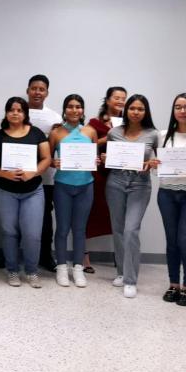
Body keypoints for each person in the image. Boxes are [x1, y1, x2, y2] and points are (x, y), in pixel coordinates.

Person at [152, 93, 186, 307]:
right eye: (178, 107)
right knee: (172, 240)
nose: (182, 111)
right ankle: (173, 284)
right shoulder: (163, 135)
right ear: (173, 110)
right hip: (166, 193)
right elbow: (153, 160)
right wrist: (154, 162)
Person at [0, 97, 51, 288]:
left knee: (32, 233)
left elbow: (47, 158)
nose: (15, 113)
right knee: (9, 232)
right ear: (6, 113)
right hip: (4, 190)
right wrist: (4, 174)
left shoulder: (37, 133)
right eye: (11, 110)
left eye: (19, 110)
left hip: (32, 190)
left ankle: (32, 271)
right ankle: (12, 270)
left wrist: (33, 173)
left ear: (25, 114)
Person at [102, 94, 158, 298]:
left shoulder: (153, 134)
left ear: (146, 112)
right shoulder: (113, 132)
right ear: (126, 110)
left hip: (140, 185)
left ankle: (130, 279)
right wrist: (105, 157)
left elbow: (158, 159)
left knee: (131, 230)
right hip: (115, 182)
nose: (136, 112)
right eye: (132, 108)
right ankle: (121, 272)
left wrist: (153, 163)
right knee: (117, 229)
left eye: (140, 109)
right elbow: (108, 157)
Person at [48, 94, 98, 288]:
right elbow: (48, 158)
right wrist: (54, 162)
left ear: (83, 110)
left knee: (79, 230)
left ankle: (78, 268)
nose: (74, 110)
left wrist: (96, 161)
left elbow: (93, 157)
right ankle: (61, 267)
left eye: (78, 107)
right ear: (64, 109)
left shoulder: (90, 131)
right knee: (62, 229)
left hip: (85, 186)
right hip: (63, 186)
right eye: (70, 106)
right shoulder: (56, 133)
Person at [84, 86, 127, 273]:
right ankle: (83, 257)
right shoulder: (94, 123)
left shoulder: (129, 122)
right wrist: (107, 138)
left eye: (123, 98)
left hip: (121, 175)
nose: (120, 101)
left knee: (120, 217)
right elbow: (85, 146)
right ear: (108, 100)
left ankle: (121, 257)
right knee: (89, 214)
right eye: (116, 98)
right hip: (98, 176)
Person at [26, 75, 62, 272]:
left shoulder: (55, 117)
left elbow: (56, 147)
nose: (37, 92)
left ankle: (46, 255)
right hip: (21, 174)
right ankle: (12, 255)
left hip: (46, 176)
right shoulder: (18, 111)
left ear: (47, 93)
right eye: (34, 88)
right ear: (27, 90)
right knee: (17, 218)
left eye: (41, 89)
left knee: (46, 218)